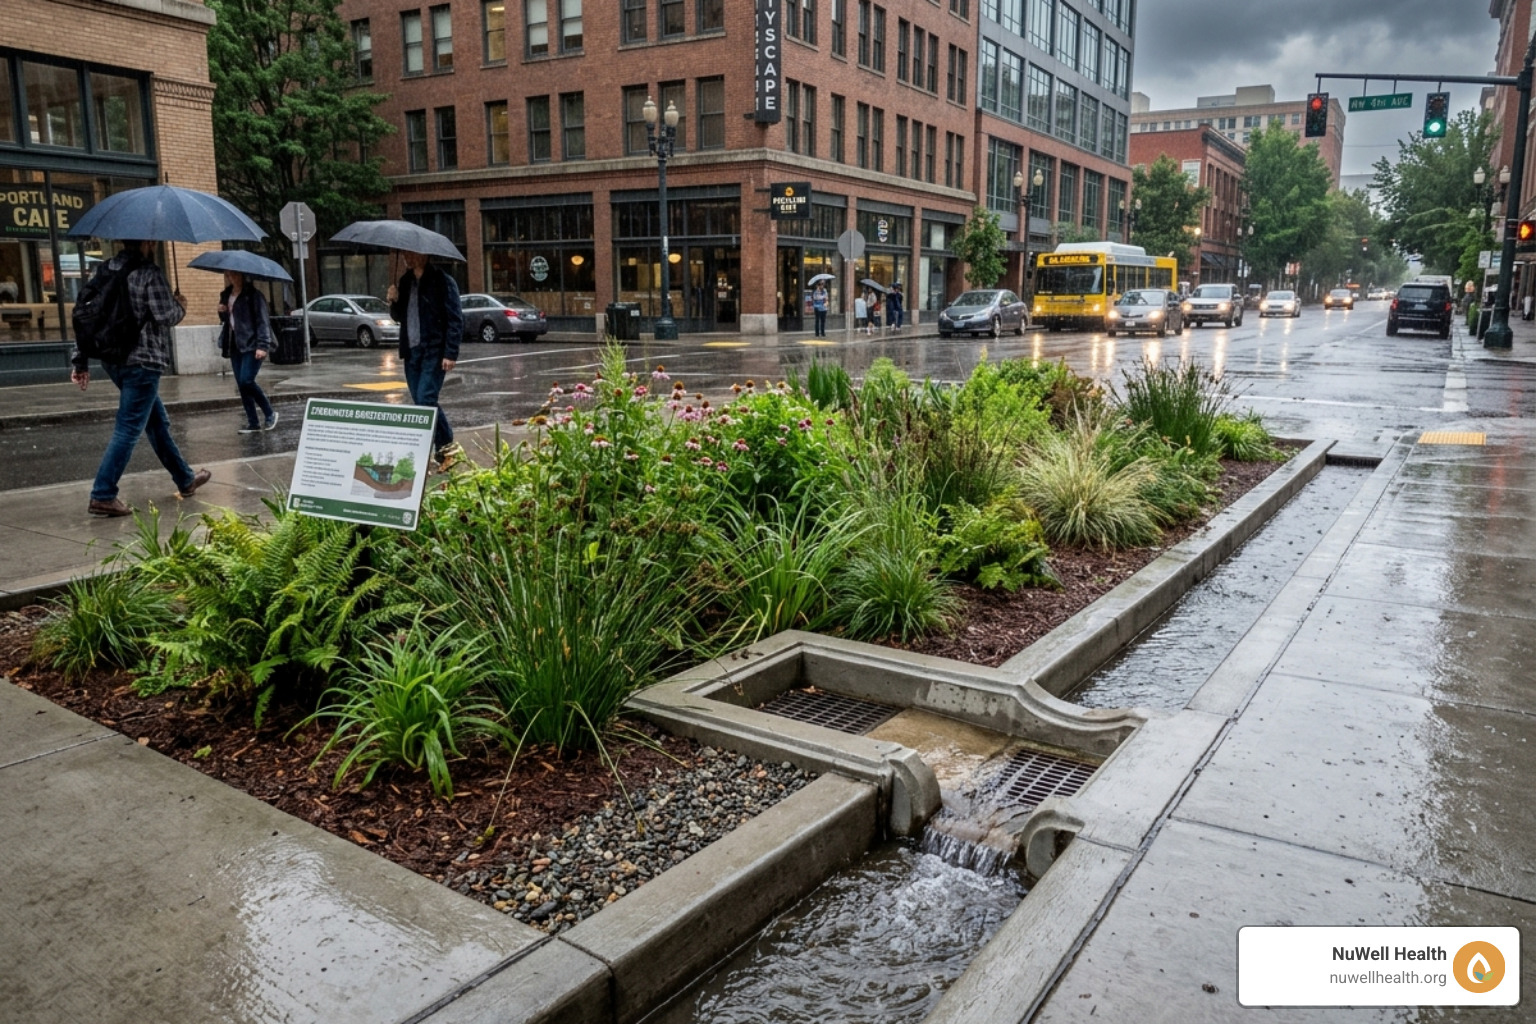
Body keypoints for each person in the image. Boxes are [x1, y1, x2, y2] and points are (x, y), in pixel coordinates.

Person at [70, 240, 211, 518]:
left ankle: (185, 478)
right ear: (147, 242)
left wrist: (80, 359)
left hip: (114, 360)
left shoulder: (105, 269)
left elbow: (87, 317)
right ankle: (103, 494)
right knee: (129, 428)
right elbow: (166, 315)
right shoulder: (150, 273)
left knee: (156, 422)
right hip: (143, 363)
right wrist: (180, 305)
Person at [388, 250, 464, 471]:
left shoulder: (442, 281)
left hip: (434, 351)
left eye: (410, 254)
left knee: (425, 400)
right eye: (404, 254)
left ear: (424, 255)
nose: (406, 258)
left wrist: (450, 352)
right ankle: (447, 450)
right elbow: (399, 317)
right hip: (411, 352)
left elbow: (455, 318)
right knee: (423, 404)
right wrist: (393, 301)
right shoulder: (405, 281)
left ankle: (431, 452)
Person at [217, 270, 277, 434]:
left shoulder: (254, 296)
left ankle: (270, 412)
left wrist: (263, 345)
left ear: (243, 275)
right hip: (235, 345)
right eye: (228, 275)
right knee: (242, 386)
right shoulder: (226, 295)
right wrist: (222, 311)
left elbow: (262, 321)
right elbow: (226, 321)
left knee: (246, 380)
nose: (231, 277)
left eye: (235, 274)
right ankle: (253, 422)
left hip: (252, 344)